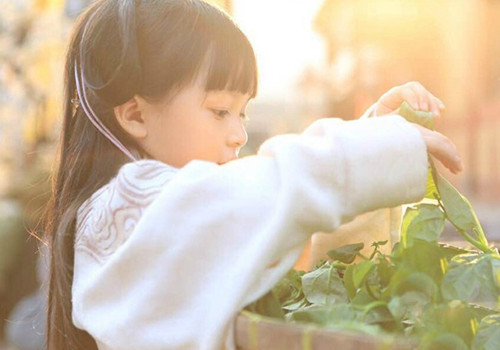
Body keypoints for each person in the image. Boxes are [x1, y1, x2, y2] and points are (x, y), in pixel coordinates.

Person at [44, 0, 463, 349]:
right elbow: (255, 193)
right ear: (136, 114)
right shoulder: (124, 210)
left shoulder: (148, 213)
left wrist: (370, 138)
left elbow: (268, 220)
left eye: (242, 113)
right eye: (220, 110)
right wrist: (372, 149)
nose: (239, 134)